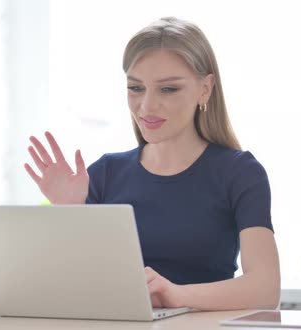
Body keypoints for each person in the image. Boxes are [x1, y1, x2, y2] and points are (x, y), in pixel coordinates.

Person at [24, 17, 280, 311]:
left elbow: (265, 288)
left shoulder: (239, 172)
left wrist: (174, 295)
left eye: (168, 89)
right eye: (135, 88)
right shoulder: (105, 174)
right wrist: (70, 212)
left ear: (205, 89)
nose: (146, 106)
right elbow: (69, 286)